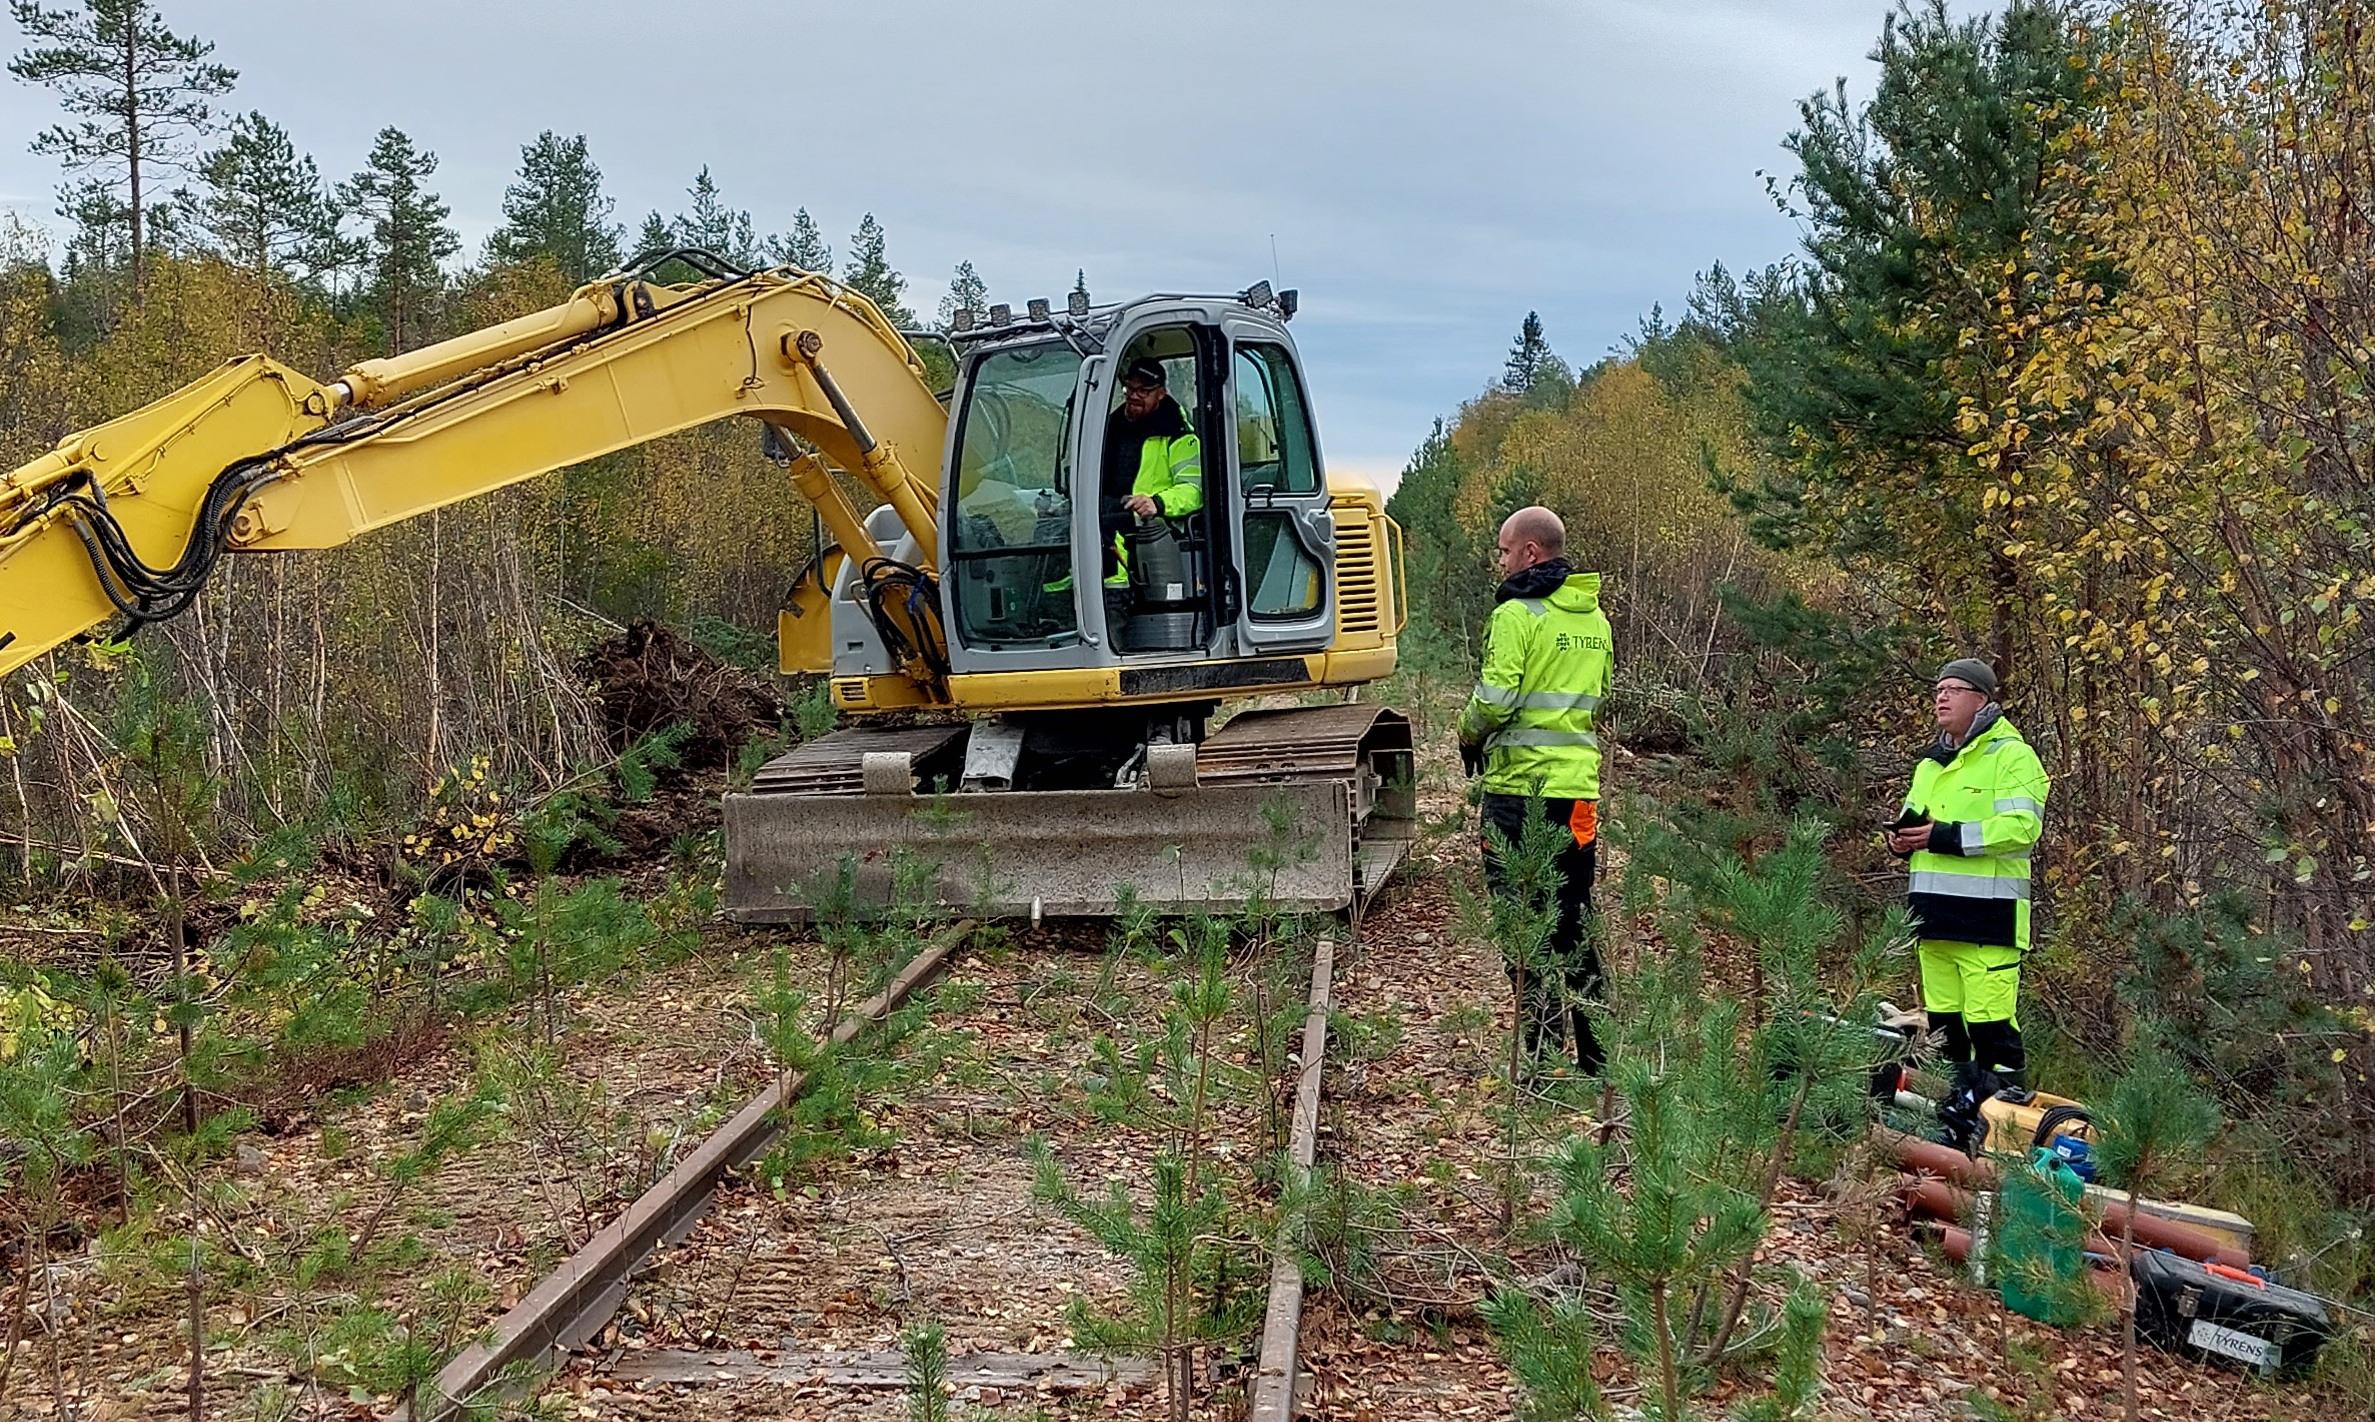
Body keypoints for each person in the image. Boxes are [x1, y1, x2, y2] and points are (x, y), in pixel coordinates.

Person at [1457, 506, 1614, 1075]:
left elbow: (1496, 700)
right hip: (1576, 797)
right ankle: (1598, 1062)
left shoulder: (1516, 615)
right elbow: (1601, 694)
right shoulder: (1594, 621)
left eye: (1503, 550)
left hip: (1517, 793)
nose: (1499, 561)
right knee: (1573, 918)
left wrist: (1467, 733)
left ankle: (1542, 1059)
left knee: (1522, 924)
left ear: (1530, 552)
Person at [1886, 658, 2050, 1154]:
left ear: (1982, 699)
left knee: (1991, 1025)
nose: (1942, 697)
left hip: (1988, 919)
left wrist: (1944, 836)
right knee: (1948, 1024)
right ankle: (1959, 1120)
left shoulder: (2012, 758)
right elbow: (1916, 824)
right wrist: (1902, 841)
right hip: (1933, 919)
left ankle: (2002, 1126)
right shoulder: (1929, 765)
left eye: (1954, 689)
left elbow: (2023, 830)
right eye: (1938, 689)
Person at [1049, 357, 1205, 622]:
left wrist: (1157, 502)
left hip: (1155, 527)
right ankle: (1055, 610)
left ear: (1161, 393)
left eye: (1143, 392)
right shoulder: (1109, 428)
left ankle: (1112, 614)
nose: (1134, 396)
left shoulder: (1179, 436)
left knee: (1107, 532)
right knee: (1052, 530)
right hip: (1112, 511)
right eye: (1130, 389)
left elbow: (1194, 491)